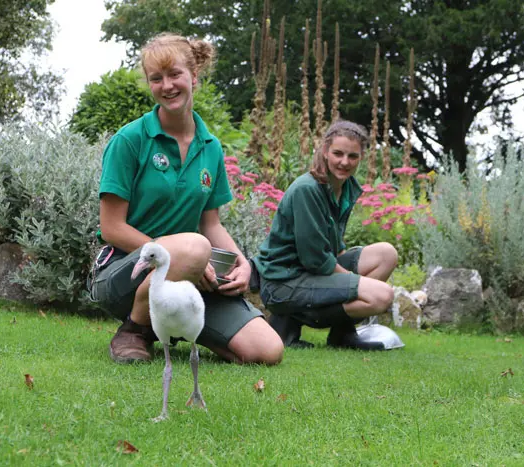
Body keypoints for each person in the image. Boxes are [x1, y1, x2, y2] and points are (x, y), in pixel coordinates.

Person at [88, 32, 283, 365]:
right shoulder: (131, 140)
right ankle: (135, 330)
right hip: (123, 272)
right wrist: (176, 257)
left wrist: (242, 262)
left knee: (267, 350)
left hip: (188, 273)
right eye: (156, 78)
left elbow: (211, 223)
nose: (167, 85)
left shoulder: (211, 148)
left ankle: (176, 324)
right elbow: (111, 227)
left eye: (175, 74)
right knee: (193, 248)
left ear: (194, 76)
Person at [252, 120, 398, 351]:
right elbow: (316, 259)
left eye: (353, 156)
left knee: (386, 255)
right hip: (284, 282)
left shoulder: (346, 187)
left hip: (312, 274)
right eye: (337, 153)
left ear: (361, 157)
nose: (344, 162)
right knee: (381, 296)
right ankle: (290, 317)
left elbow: (335, 248)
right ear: (324, 151)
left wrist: (350, 282)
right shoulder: (307, 189)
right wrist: (353, 282)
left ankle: (342, 334)